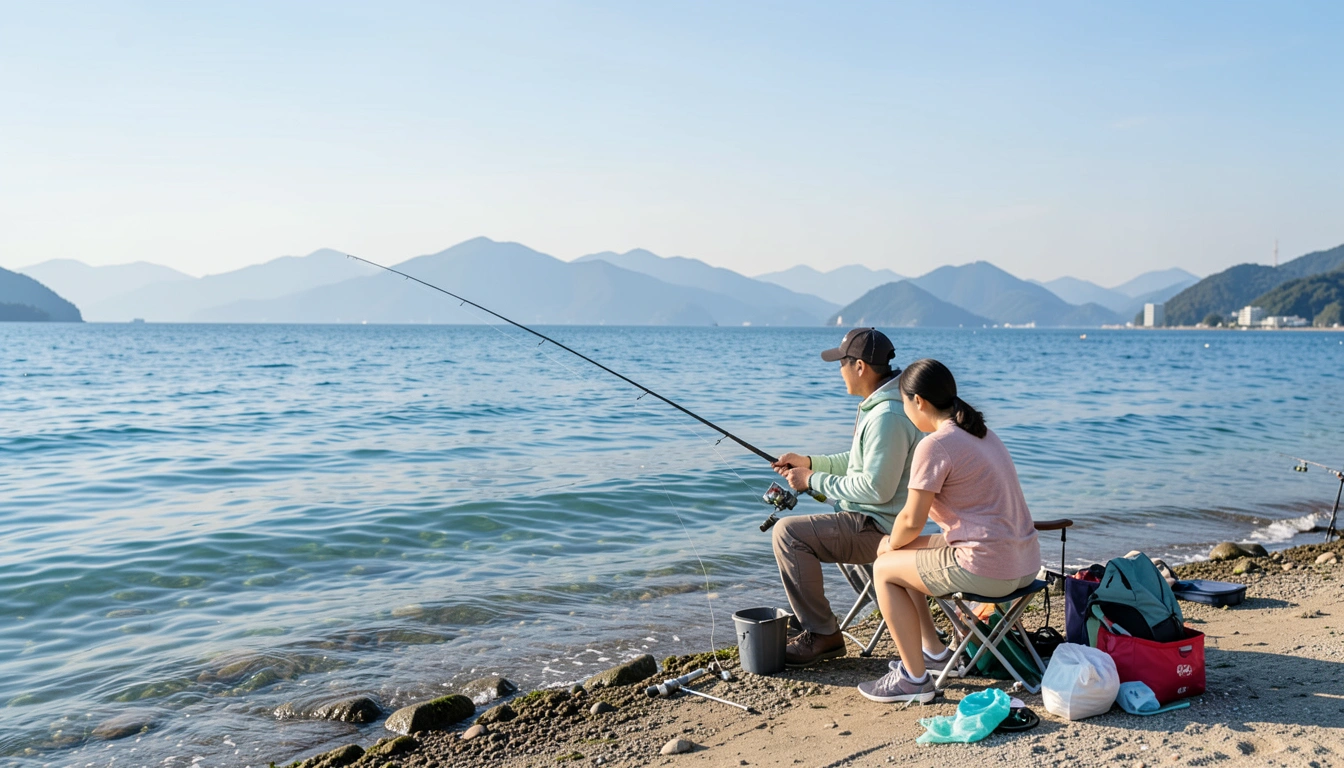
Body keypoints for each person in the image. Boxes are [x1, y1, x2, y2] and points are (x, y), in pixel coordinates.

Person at [857, 358, 1040, 704]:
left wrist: (886, 546)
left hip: (990, 568)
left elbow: (911, 520)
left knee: (884, 568)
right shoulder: (981, 433)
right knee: (905, 554)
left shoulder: (934, 445)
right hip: (1025, 563)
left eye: (904, 404)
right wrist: (896, 546)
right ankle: (935, 653)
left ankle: (913, 680)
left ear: (919, 402)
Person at [770, 328, 922, 667]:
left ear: (860, 367)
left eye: (841, 362)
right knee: (811, 525)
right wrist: (810, 464)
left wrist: (813, 480)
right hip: (878, 521)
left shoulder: (888, 416)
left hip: (881, 528)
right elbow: (857, 463)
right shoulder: (884, 406)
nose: (838, 370)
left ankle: (823, 634)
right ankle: (828, 623)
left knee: (788, 534)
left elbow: (875, 489)